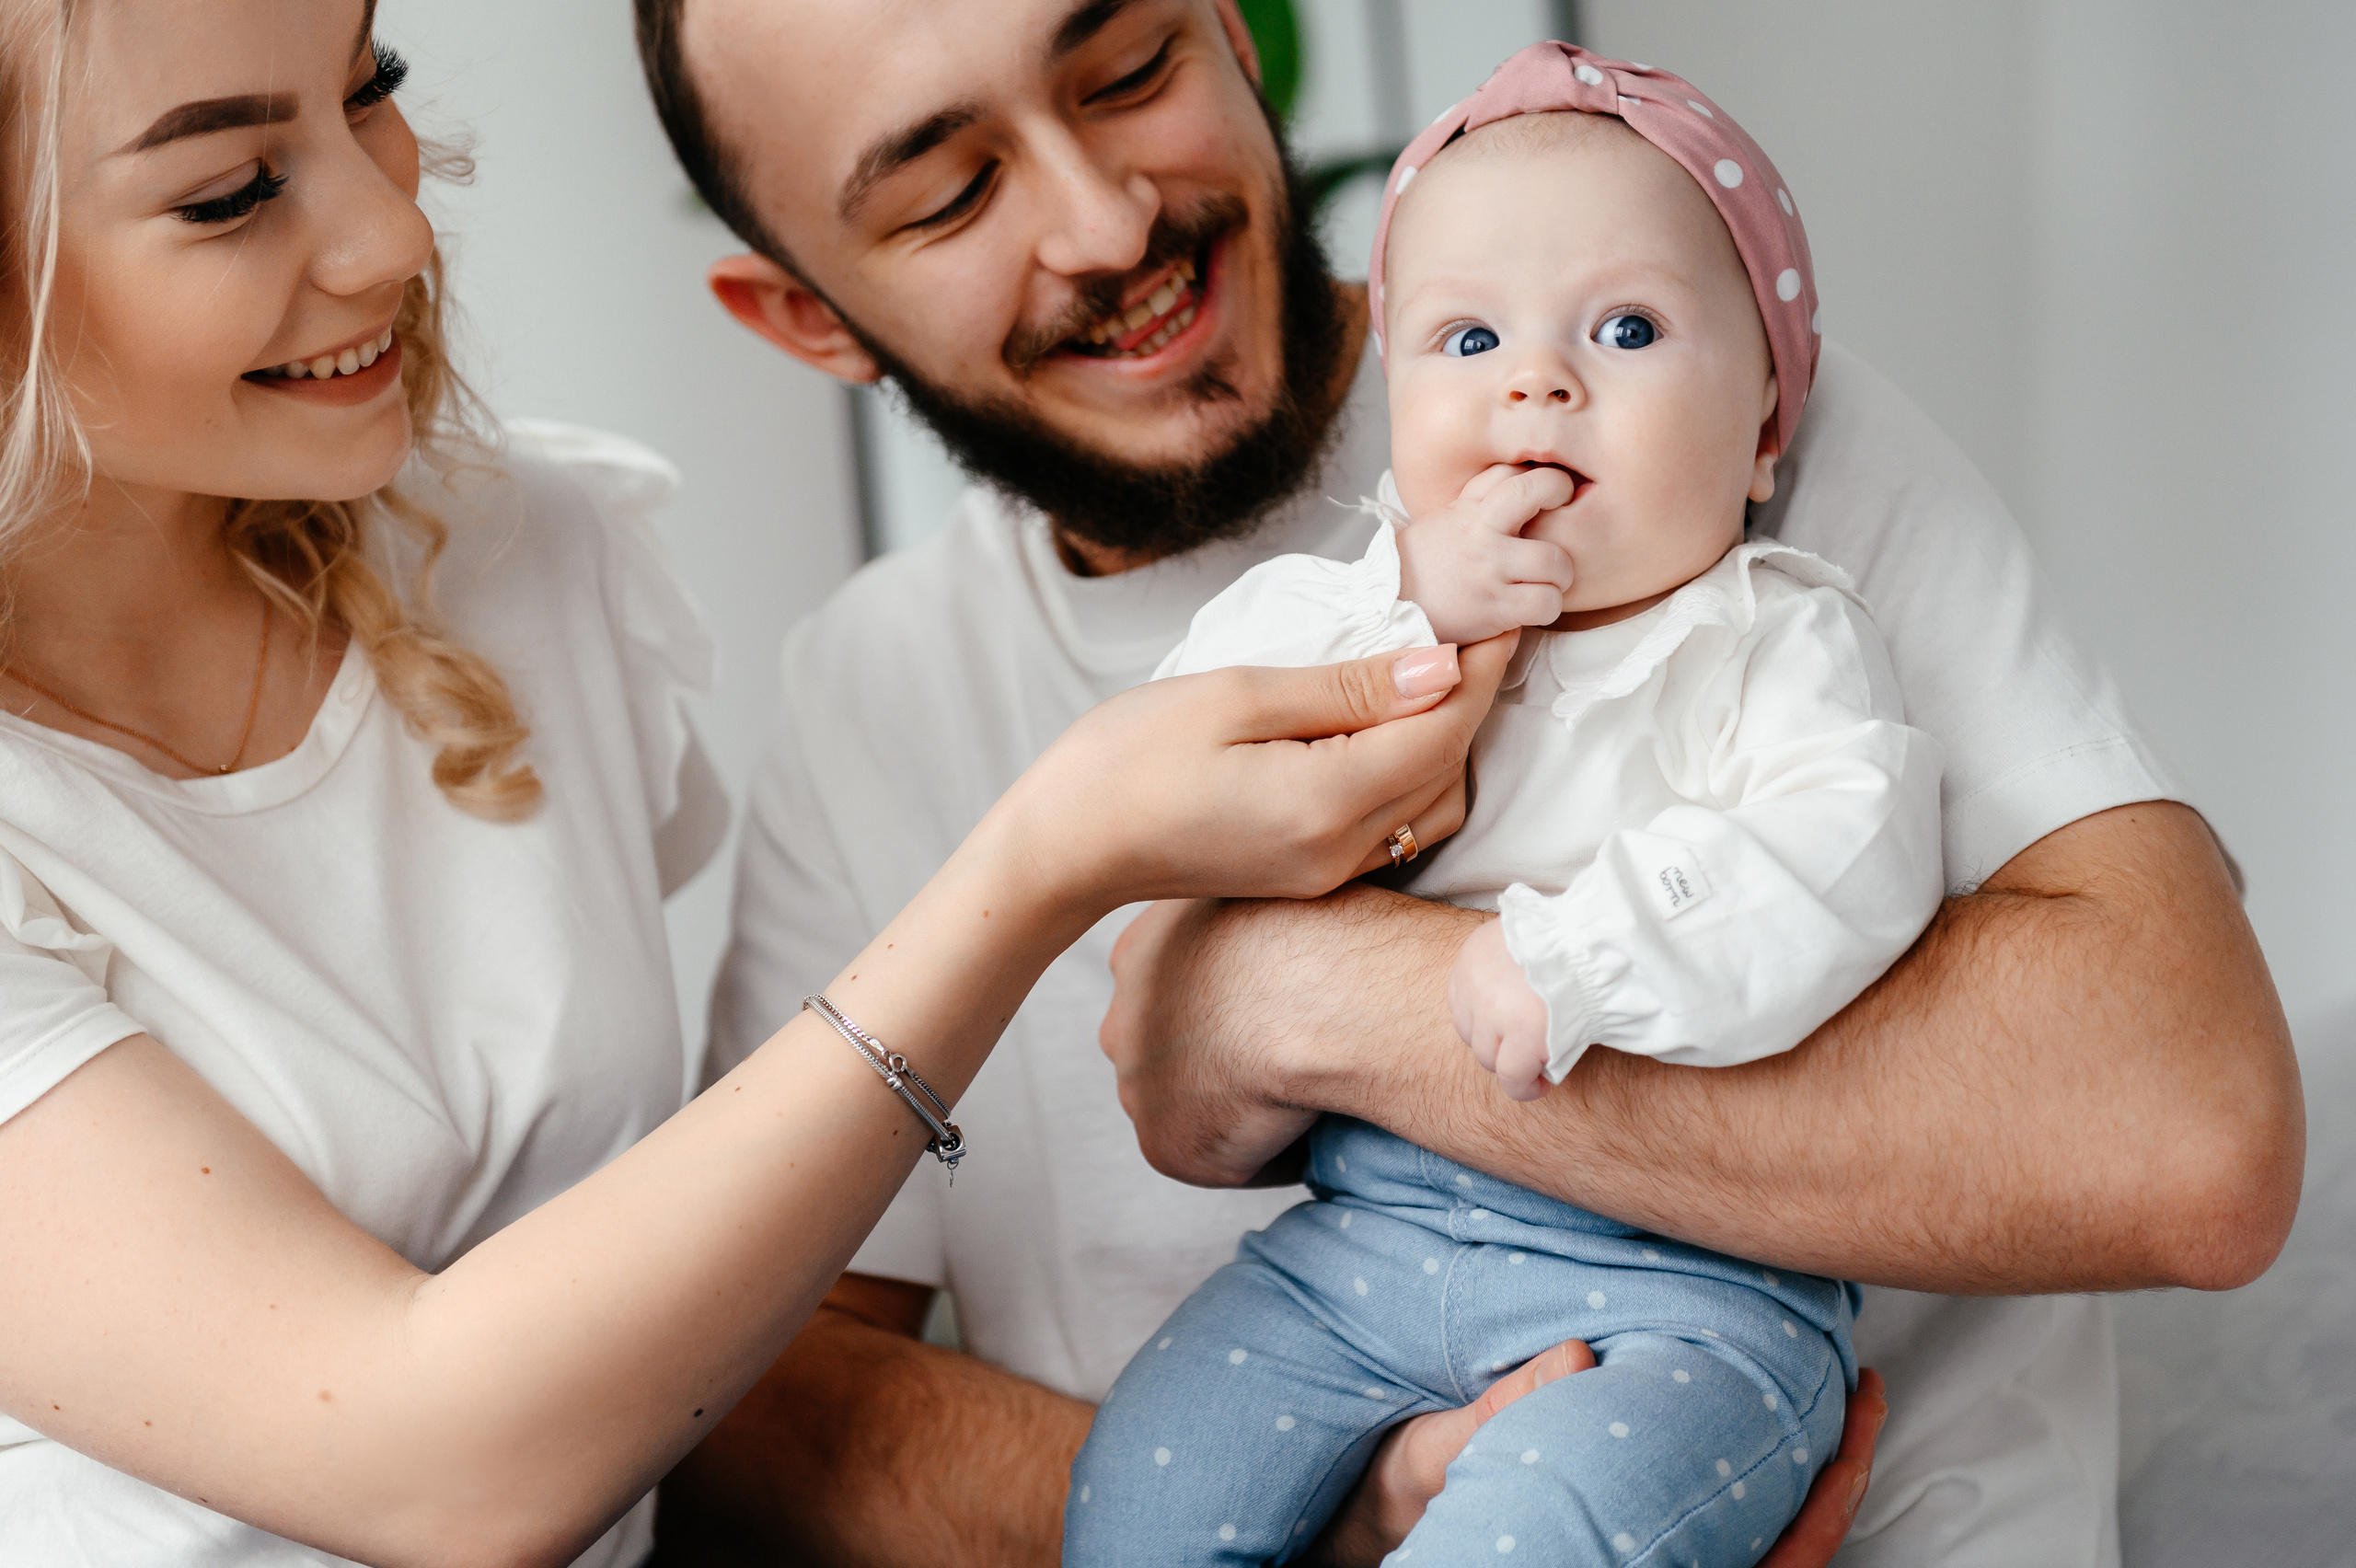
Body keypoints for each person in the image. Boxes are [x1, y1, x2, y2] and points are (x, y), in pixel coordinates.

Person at [640, 0, 2302, 1563]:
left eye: (1130, 67)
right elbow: (758, 1402)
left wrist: (1281, 993)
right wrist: (1346, 1517)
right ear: (806, 314)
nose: (1104, 222)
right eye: (950, 194)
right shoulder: (869, 688)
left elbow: (2195, 1134)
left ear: (1231, 27)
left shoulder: (1692, 422)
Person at [0, 2, 1499, 1562]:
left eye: (370, 86)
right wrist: (1046, 863)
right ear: (805, 319)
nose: (396, 234)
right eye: (230, 189)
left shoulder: (518, 564)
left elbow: (708, 1325)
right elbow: (454, 1461)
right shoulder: (881, 687)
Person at [1066, 47, 1944, 1568]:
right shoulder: (1351, 607)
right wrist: (1413, 599)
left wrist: (1588, 954)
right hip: (1360, 1248)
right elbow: (1186, 749)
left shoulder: (1770, 635)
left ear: (1757, 436)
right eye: (1469, 337)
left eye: (1626, 327)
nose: (1538, 381)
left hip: (1692, 1286)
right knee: (1142, 1485)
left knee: (1540, 1528)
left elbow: (1843, 847)